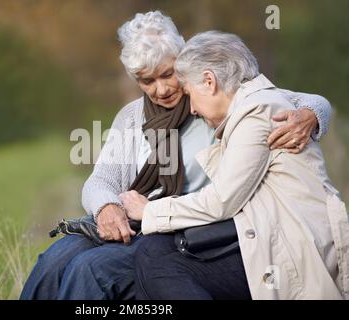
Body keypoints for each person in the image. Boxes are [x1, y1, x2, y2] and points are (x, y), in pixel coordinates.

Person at [20, 12, 333, 300]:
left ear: (181, 60)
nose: (160, 89)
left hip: (184, 226)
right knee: (53, 261)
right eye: (146, 80)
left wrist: (311, 115)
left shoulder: (211, 99)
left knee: (89, 268)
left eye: (167, 74)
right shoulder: (131, 117)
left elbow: (294, 100)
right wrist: (105, 207)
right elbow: (101, 180)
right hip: (133, 217)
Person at [120, 30, 349, 300]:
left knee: (157, 263)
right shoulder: (255, 104)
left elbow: (222, 200)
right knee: (156, 252)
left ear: (209, 81)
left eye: (191, 95)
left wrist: (149, 211)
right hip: (274, 239)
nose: (191, 108)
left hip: (295, 256)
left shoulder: (257, 114)